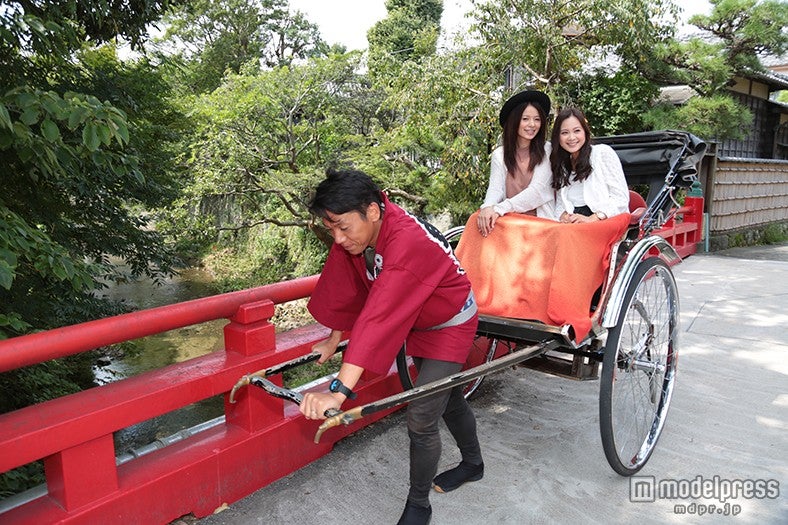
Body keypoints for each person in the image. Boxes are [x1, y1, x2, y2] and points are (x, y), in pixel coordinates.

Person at [301, 168, 484, 525]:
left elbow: (378, 317)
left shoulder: (407, 243)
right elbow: (345, 285)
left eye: (342, 227)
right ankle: (474, 464)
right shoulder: (360, 233)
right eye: (331, 229)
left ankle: (419, 505)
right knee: (448, 397)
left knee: (421, 416)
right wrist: (334, 337)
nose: (337, 239)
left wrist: (338, 391)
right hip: (417, 321)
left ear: (372, 210)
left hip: (451, 324)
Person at [477, 90, 555, 236]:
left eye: (537, 119)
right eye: (525, 119)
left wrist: (498, 209)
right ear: (514, 121)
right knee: (478, 221)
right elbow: (496, 189)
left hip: (541, 225)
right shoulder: (500, 154)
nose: (532, 124)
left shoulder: (547, 150)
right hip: (511, 223)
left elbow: (537, 191)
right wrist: (487, 207)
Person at [549, 107, 629, 223]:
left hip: (605, 220)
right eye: (565, 133)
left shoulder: (602, 153)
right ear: (558, 137)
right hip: (574, 223)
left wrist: (594, 218)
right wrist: (563, 215)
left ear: (585, 132)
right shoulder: (561, 164)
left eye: (577, 131)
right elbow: (561, 203)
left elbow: (620, 198)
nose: (572, 137)